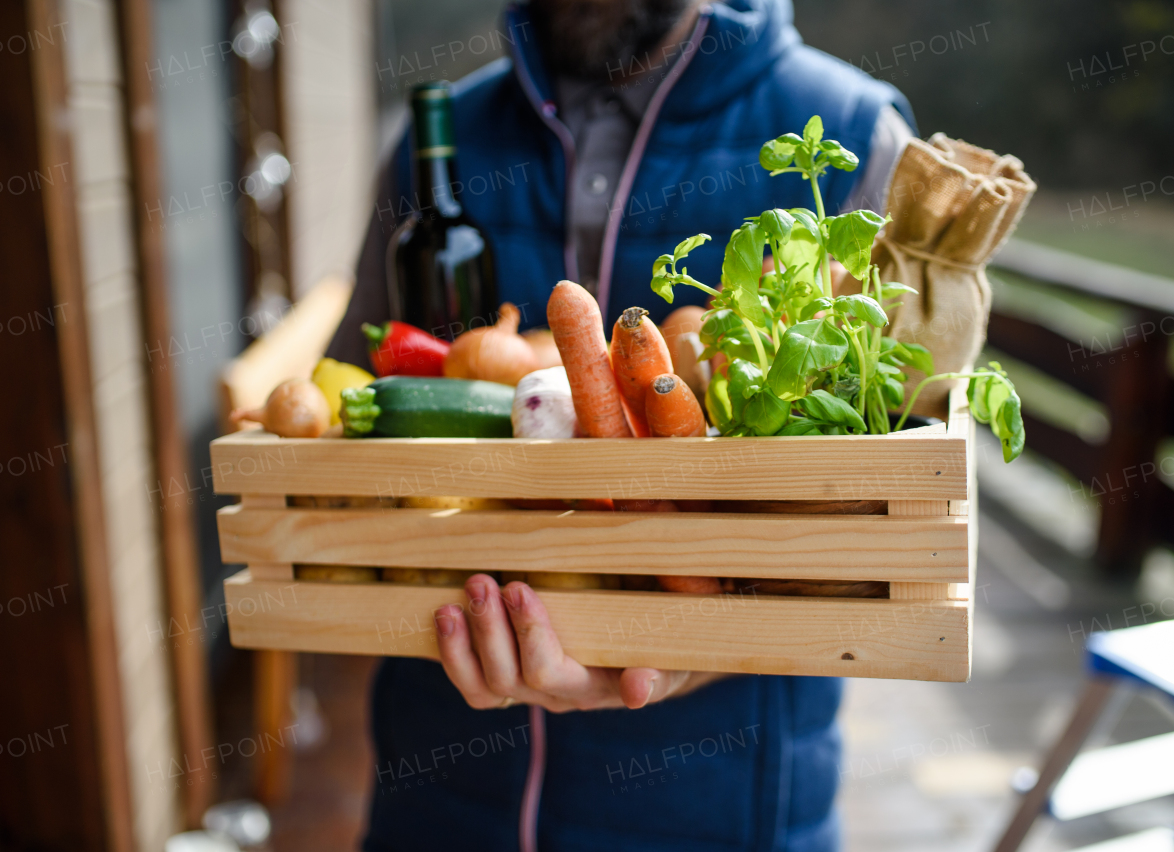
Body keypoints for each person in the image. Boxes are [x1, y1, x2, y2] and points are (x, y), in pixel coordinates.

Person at [329, 1, 915, 849]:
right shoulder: (438, 144)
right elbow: (357, 420)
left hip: (721, 810)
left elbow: (906, 525)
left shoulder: (861, 134)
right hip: (442, 791)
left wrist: (701, 642)